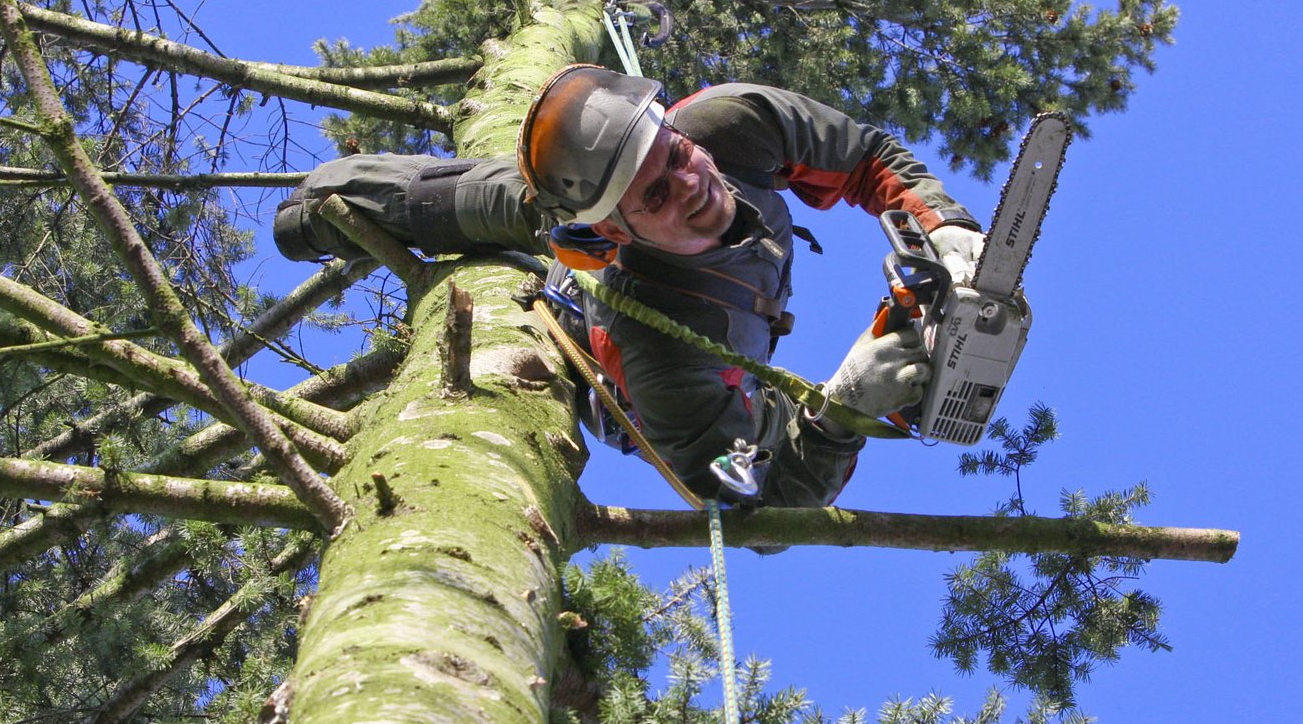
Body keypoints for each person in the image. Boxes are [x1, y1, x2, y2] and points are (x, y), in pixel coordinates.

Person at [274, 65, 986, 506]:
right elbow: (747, 488)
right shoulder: (660, 355)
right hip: (650, 359)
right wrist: (839, 418)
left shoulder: (734, 124)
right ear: (614, 233)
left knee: (510, 199)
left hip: (647, 284)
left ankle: (335, 205)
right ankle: (312, 214)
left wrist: (941, 223)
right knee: (450, 202)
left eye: (676, 157)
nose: (689, 185)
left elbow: (860, 155)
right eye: (654, 197)